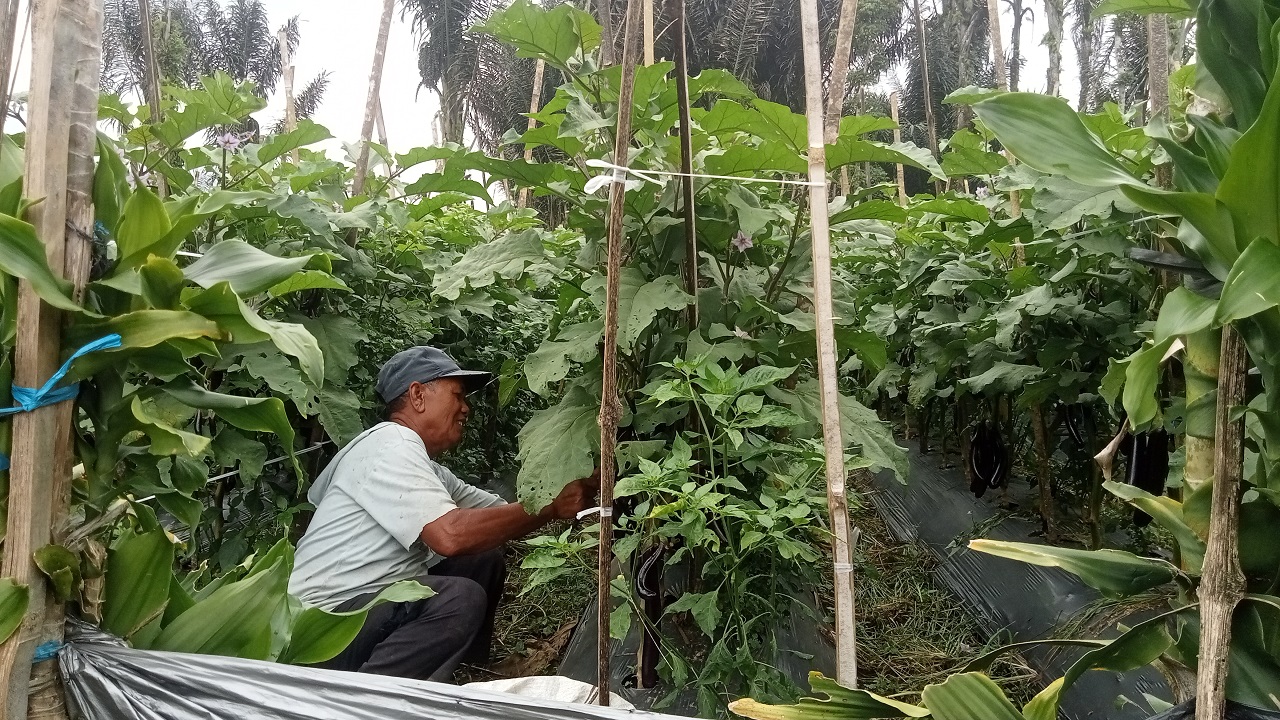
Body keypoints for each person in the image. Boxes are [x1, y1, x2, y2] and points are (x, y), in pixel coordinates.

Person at [289, 346, 599, 681]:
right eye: (458, 395)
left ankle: (464, 676)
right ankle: (362, 701)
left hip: (364, 613)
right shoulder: (390, 445)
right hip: (320, 633)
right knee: (458, 599)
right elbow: (451, 536)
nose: (466, 408)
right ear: (418, 395)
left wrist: (576, 479)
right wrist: (552, 507)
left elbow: (500, 514)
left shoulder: (427, 469)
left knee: (483, 561)